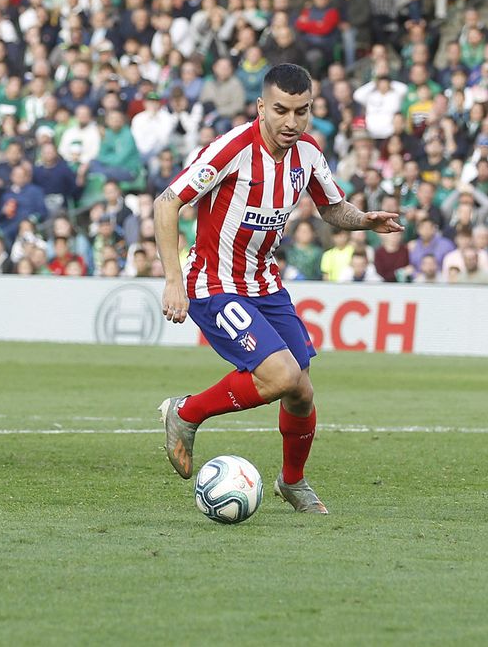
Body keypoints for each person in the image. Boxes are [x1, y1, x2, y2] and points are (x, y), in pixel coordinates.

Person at [155, 63, 403, 514]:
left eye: (301, 111)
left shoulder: (307, 153)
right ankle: (186, 412)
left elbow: (332, 208)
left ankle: (292, 482)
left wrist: (363, 220)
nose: (291, 122)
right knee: (282, 375)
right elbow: (167, 202)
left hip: (265, 285)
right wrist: (174, 281)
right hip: (213, 283)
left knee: (301, 391)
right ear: (261, 107)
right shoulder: (231, 149)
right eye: (281, 111)